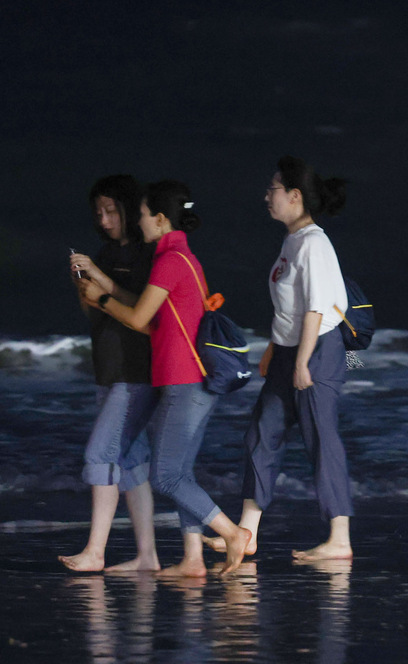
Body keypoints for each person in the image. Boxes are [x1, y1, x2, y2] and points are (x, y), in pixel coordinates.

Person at [79, 180, 251, 577]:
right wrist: (101, 282)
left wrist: (100, 300)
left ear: (158, 218)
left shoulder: (169, 261)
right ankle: (193, 561)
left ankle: (231, 533)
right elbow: (149, 311)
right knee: (179, 472)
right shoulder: (180, 257)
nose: (137, 223)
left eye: (140, 216)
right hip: (186, 380)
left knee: (166, 475)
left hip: (184, 380)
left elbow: (139, 319)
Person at [209, 157, 355, 562]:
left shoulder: (314, 243)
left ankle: (339, 538)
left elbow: (317, 308)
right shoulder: (292, 242)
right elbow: (290, 308)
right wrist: (276, 348)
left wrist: (303, 361)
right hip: (290, 351)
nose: (266, 196)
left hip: (318, 351)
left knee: (321, 440)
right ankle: (246, 533)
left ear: (295, 196)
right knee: (261, 433)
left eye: (273, 189)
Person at [61, 175, 160, 572]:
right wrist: (80, 283)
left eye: (111, 211)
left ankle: (95, 552)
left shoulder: (147, 253)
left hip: (136, 371)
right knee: (132, 463)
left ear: (129, 210)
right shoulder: (103, 252)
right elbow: (94, 309)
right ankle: (148, 557)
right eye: (98, 213)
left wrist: (100, 280)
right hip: (107, 367)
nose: (103, 220)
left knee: (100, 455)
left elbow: (141, 309)